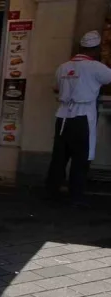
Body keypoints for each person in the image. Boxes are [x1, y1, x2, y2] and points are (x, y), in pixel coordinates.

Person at [46, 30, 111, 207]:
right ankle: (76, 196)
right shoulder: (97, 67)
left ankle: (52, 192)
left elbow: (56, 89)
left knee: (60, 156)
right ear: (95, 49)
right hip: (83, 116)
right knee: (80, 158)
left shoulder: (63, 67)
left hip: (63, 116)